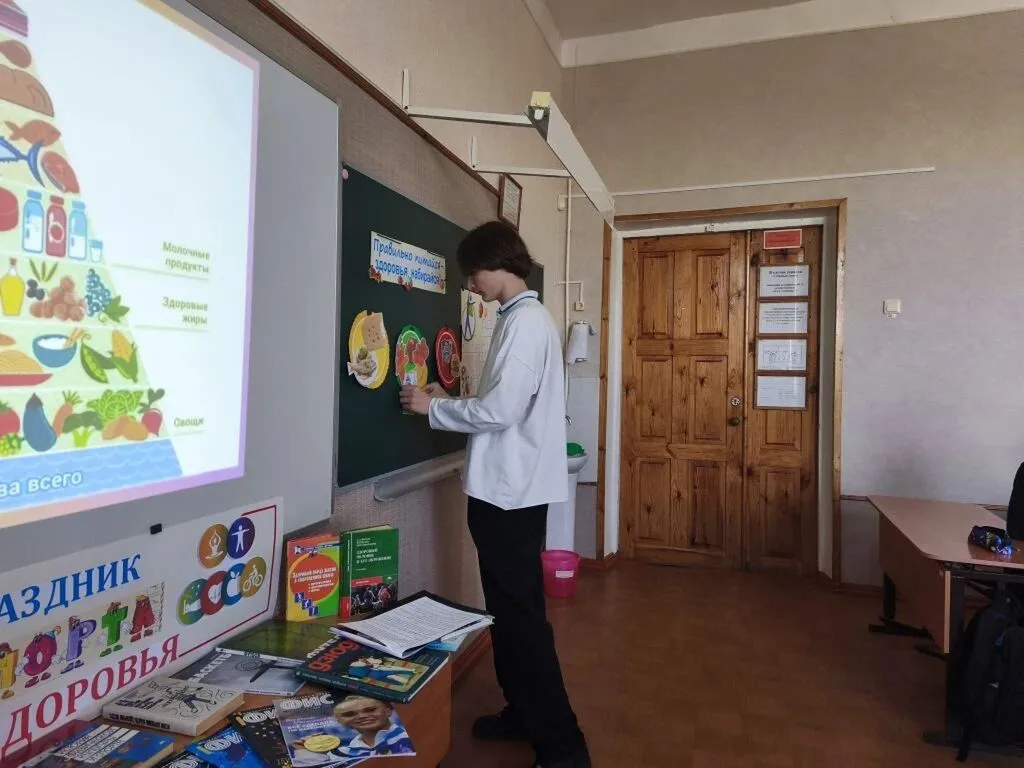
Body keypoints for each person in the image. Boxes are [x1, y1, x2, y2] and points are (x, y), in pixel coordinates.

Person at [400, 220, 589, 768]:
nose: (472, 286)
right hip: (509, 494)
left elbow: (501, 412)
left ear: (494, 264)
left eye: (473, 274)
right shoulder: (520, 318)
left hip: (509, 497)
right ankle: (523, 713)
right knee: (508, 615)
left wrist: (432, 407)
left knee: (522, 623)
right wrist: (449, 397)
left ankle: (563, 748)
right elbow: (504, 401)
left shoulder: (525, 323)